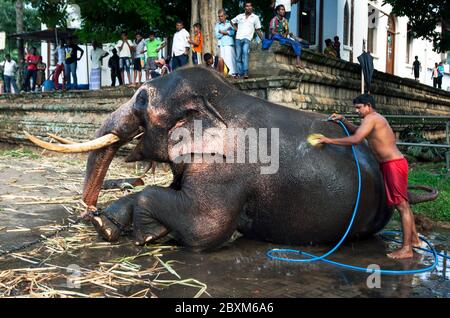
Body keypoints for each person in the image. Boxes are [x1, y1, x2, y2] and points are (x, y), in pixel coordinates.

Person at [317, 94, 421, 260]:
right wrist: (343, 121)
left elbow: (356, 139)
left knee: (401, 206)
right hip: (391, 164)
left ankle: (407, 249)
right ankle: (414, 240)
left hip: (393, 164)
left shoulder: (372, 118)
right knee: (403, 204)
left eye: (359, 107)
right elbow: (360, 132)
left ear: (368, 106)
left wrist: (329, 140)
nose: (357, 111)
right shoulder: (372, 119)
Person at [265, 4, 307, 69]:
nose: (283, 11)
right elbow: (272, 32)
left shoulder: (285, 21)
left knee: (297, 43)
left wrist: (285, 34)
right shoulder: (274, 20)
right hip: (276, 37)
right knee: (277, 36)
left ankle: (298, 61)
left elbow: (287, 31)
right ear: (278, 11)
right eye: (282, 10)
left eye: (284, 10)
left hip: (283, 37)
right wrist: (280, 34)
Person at [231, 2, 264, 79]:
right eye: (247, 6)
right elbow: (232, 22)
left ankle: (245, 72)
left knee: (245, 53)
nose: (248, 7)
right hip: (238, 38)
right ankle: (240, 73)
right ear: (244, 7)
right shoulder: (240, 16)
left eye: (250, 6)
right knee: (238, 57)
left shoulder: (255, 17)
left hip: (247, 38)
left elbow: (258, 30)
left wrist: (263, 39)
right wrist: (236, 29)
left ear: (252, 7)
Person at [215, 9, 238, 77]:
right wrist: (226, 32)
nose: (220, 18)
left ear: (225, 16)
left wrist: (222, 32)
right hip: (221, 45)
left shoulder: (230, 23)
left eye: (221, 16)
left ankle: (233, 73)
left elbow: (232, 32)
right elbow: (217, 35)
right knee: (223, 59)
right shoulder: (217, 25)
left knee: (231, 59)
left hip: (229, 44)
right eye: (219, 16)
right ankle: (225, 74)